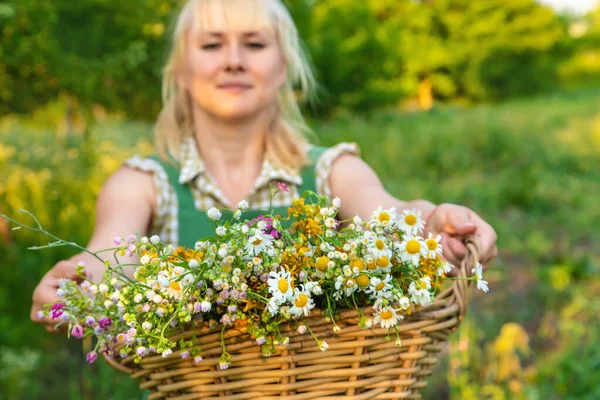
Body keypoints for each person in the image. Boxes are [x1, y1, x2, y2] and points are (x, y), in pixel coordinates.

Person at [30, 0, 497, 332]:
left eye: (253, 44)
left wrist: (432, 224)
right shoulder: (144, 184)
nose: (233, 61)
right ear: (180, 71)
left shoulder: (330, 172)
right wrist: (75, 284)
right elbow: (110, 261)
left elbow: (391, 215)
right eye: (212, 45)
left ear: (284, 67)